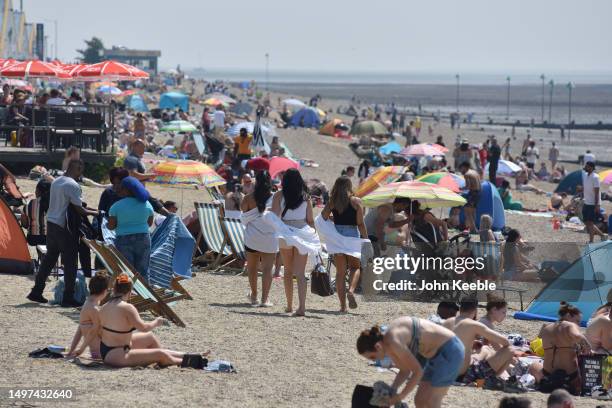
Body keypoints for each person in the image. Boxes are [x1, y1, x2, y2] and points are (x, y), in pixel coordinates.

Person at [72, 274, 209, 368]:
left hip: (113, 349)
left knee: (150, 338)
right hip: (116, 354)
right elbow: (144, 327)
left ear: (114, 290)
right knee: (159, 353)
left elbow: (92, 332)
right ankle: (192, 362)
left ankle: (186, 356)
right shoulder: (128, 307)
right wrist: (157, 321)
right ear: (130, 291)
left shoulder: (103, 307)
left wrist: (80, 349)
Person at [27, 160, 98, 307]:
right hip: (65, 228)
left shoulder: (57, 181)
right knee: (71, 263)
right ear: (77, 168)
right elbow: (80, 209)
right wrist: (97, 213)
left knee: (49, 259)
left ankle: (36, 291)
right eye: (81, 170)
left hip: (51, 224)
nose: (81, 174)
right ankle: (68, 297)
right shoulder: (72, 185)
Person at [357, 317, 464, 408]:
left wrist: (400, 397)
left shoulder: (393, 341)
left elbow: (417, 372)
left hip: (450, 350)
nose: (374, 360)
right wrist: (392, 390)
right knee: (420, 401)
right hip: (433, 356)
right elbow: (405, 370)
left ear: (377, 346)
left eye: (372, 357)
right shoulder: (387, 344)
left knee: (432, 401)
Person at [271, 169, 316, 316]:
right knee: (301, 273)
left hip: (285, 232)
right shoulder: (305, 196)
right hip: (302, 231)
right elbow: (310, 219)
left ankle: (289, 305)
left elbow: (275, 216)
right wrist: (314, 236)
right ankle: (302, 307)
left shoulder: (279, 195)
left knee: (288, 271)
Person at [321, 176, 367, 312]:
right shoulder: (356, 201)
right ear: (349, 186)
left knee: (340, 273)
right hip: (352, 235)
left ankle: (342, 307)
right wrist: (365, 239)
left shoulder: (333, 201)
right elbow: (360, 223)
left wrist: (333, 218)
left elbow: (323, 216)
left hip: (337, 235)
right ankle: (351, 291)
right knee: (355, 267)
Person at [444, 300, 514, 387]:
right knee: (510, 350)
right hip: (463, 374)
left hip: (444, 371)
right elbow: (504, 342)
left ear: (460, 309)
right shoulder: (474, 324)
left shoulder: (447, 322)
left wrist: (472, 343)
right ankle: (490, 379)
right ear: (475, 311)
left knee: (485, 349)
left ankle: (486, 379)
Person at [536, 302, 592, 395]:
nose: (578, 324)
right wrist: (588, 347)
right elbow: (578, 336)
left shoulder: (546, 328)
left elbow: (539, 338)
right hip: (569, 378)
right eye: (577, 321)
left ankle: (541, 381)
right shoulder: (570, 325)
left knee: (534, 365)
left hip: (548, 376)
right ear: (568, 315)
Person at [241, 171, 277, 307]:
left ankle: (254, 296)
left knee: (252, 268)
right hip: (269, 238)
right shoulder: (276, 198)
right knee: (268, 269)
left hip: (252, 238)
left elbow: (244, 214)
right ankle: (264, 299)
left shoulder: (248, 198)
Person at [108, 177, 154, 280]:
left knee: (126, 271)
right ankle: (145, 295)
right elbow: (149, 223)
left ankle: (126, 294)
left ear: (126, 190)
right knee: (143, 271)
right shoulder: (147, 204)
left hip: (123, 239)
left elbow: (111, 226)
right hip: (144, 238)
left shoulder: (116, 206)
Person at [67, 271, 110, 359]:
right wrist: (81, 349)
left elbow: (80, 330)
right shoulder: (94, 309)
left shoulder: (87, 303)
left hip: (95, 352)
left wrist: (72, 350)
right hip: (101, 353)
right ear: (105, 291)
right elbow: (93, 332)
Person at [21, 179, 51, 246]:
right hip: (49, 238)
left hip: (33, 238)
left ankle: (40, 255)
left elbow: (24, 225)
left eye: (36, 190)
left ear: (38, 191)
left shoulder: (30, 204)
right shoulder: (54, 204)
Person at [582, 161, 606, 243]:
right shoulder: (585, 175)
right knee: (587, 222)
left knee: (590, 222)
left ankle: (591, 241)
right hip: (586, 202)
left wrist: (597, 205)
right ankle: (602, 235)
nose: (585, 167)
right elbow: (587, 187)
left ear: (591, 168)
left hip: (593, 203)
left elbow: (597, 192)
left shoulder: (595, 177)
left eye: (587, 166)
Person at [459, 161, 481, 233]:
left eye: (461, 168)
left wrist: (459, 188)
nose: (461, 170)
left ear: (464, 167)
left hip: (472, 193)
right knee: (473, 211)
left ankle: (473, 229)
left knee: (467, 211)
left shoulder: (467, 174)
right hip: (478, 193)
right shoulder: (475, 172)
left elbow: (468, 186)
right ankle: (472, 229)